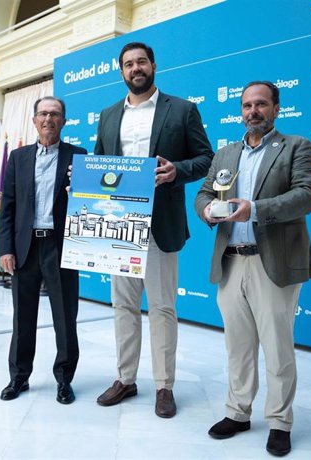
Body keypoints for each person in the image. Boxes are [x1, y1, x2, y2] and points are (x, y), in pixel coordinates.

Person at [195, 81, 311, 456]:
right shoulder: (226, 153)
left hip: (274, 263)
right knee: (238, 346)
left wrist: (257, 209)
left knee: (278, 347)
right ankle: (238, 412)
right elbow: (204, 191)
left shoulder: (297, 147)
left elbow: (307, 195)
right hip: (232, 260)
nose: (253, 111)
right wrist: (204, 209)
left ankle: (280, 421)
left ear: (276, 108)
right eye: (247, 105)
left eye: (261, 104)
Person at [93, 42, 213, 418]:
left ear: (153, 65)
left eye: (141, 61)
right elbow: (100, 166)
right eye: (128, 64)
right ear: (122, 71)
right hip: (119, 226)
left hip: (161, 224)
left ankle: (164, 386)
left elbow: (206, 159)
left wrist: (178, 171)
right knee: (123, 306)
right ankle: (126, 379)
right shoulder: (108, 115)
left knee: (162, 308)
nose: (136, 68)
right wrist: (80, 184)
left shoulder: (182, 110)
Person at [0, 96, 86, 404]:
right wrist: (5, 248)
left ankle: (64, 380)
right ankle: (19, 377)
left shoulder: (80, 157)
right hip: (25, 247)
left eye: (55, 114)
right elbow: (7, 207)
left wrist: (83, 188)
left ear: (64, 121)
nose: (48, 118)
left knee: (65, 317)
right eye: (43, 114)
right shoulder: (18, 158)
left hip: (62, 246)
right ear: (34, 120)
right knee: (23, 318)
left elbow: (92, 203)